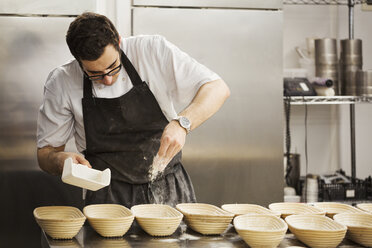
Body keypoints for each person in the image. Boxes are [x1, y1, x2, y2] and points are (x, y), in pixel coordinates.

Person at [36, 12, 230, 208]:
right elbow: (45, 155)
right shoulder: (61, 82)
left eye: (113, 67)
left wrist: (182, 123)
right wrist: (60, 161)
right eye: (95, 74)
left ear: (119, 42)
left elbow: (217, 88)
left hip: (168, 190)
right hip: (107, 200)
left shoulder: (152, 51)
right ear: (78, 62)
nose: (108, 79)